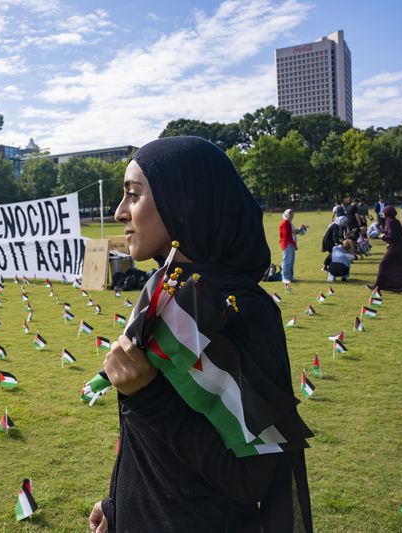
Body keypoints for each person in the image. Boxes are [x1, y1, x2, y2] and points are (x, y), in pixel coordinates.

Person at [89, 136, 312, 533]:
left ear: (182, 203)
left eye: (133, 195)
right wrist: (119, 503)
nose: (120, 211)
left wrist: (147, 394)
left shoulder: (242, 310)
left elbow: (249, 478)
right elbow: (150, 441)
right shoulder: (164, 288)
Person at [279, 209, 297, 283]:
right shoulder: (285, 222)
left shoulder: (289, 222)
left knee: (291, 261)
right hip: (287, 243)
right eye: (290, 214)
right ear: (286, 214)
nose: (291, 215)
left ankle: (290, 277)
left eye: (292, 214)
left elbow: (291, 232)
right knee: (286, 261)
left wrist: (297, 231)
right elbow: (286, 234)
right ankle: (285, 278)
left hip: (291, 243)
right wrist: (296, 231)